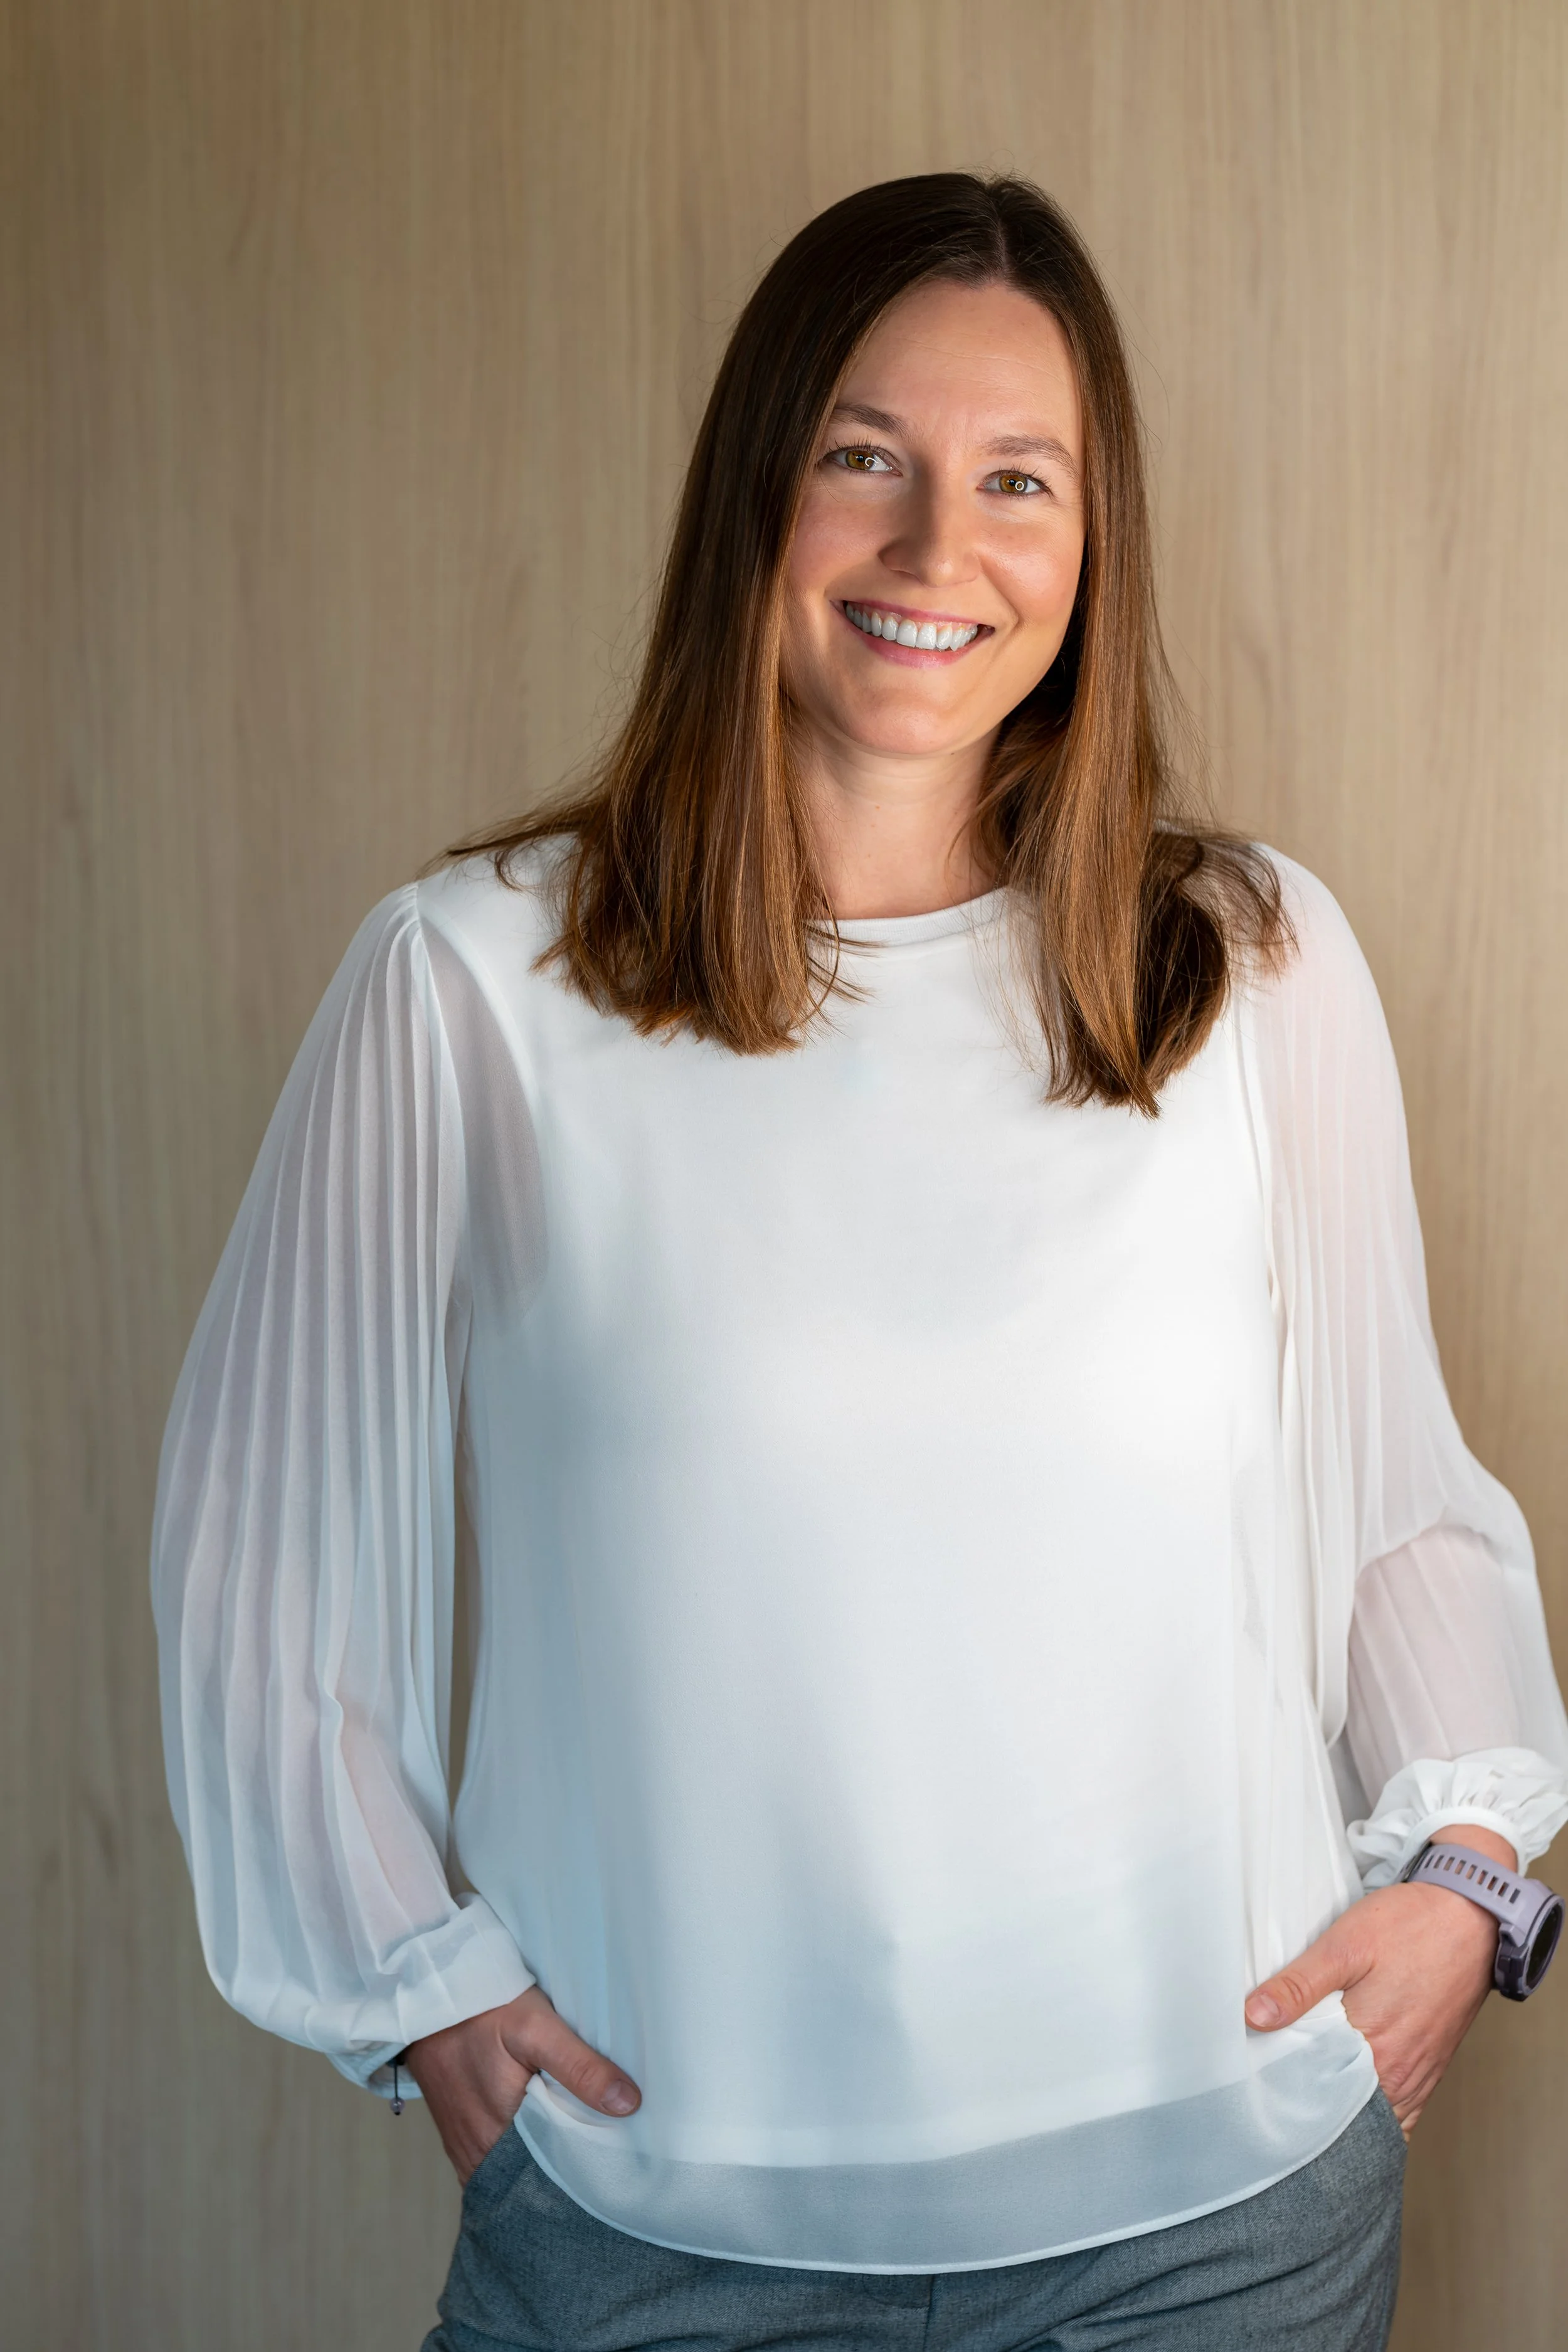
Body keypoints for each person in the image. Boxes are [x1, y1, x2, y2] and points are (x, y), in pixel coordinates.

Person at [151, 173, 1568, 2351]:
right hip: (657, 2230)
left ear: (1093, 542)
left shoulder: (1245, 963)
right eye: (862, 456)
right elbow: (263, 1556)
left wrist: (1470, 1878)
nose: (934, 549)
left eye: (1017, 480)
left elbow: (1386, 1492)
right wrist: (413, 1987)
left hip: (1220, 2221)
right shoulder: (474, 982)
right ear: (760, 485)